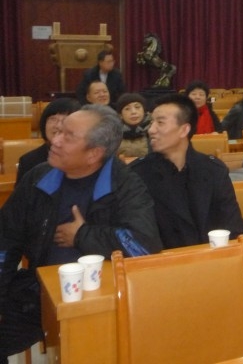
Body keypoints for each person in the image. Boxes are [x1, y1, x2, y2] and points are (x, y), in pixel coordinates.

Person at [0, 105, 162, 360]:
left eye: (68, 136)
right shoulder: (39, 178)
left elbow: (143, 246)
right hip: (38, 295)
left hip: (103, 301)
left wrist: (83, 234)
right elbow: (6, 239)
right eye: (58, 131)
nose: (56, 140)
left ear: (94, 153)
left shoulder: (125, 185)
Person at [130, 94, 243, 248]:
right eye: (151, 122)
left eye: (160, 122)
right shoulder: (138, 174)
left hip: (211, 257)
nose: (151, 130)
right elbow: (135, 237)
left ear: (184, 130)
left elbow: (234, 227)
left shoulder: (214, 170)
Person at [16, 98, 81, 184]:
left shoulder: (85, 157)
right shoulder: (28, 161)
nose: (58, 126)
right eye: (53, 119)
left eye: (65, 120)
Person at [116, 92, 151, 158]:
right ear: (120, 115)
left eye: (137, 107)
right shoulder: (114, 134)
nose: (133, 112)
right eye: (127, 109)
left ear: (144, 111)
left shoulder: (154, 130)